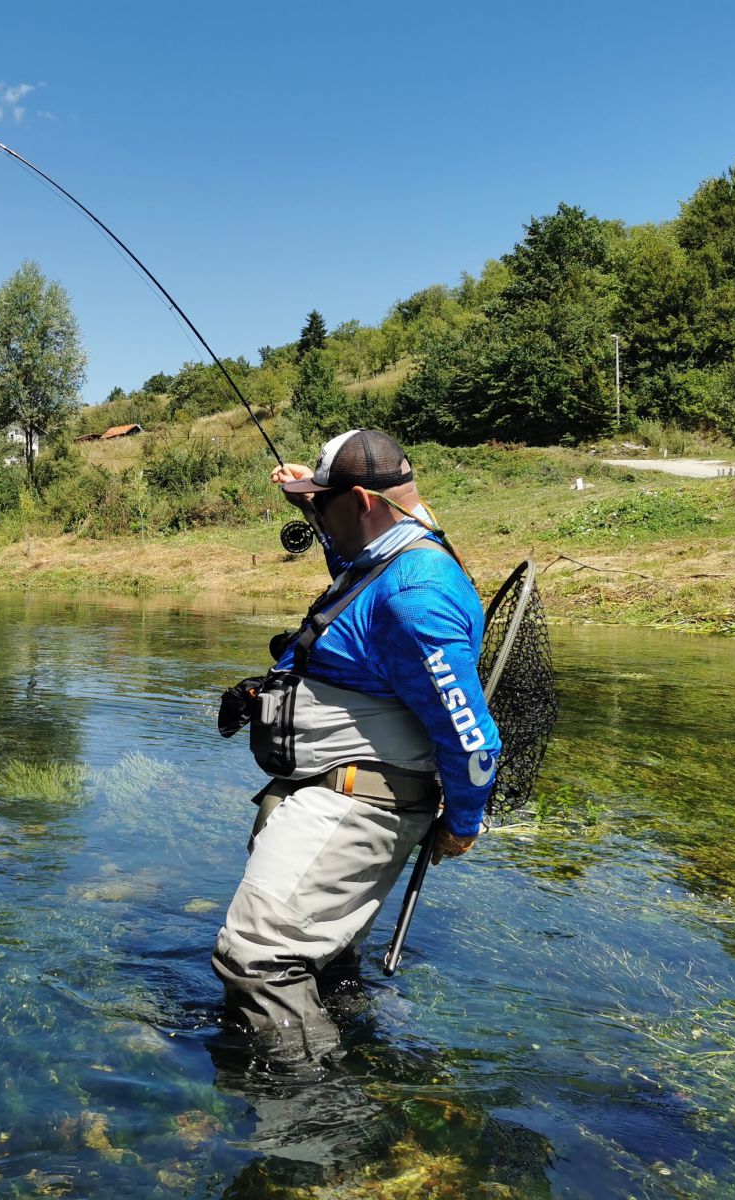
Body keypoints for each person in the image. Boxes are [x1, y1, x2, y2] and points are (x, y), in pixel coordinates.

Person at [213, 429, 501, 1060]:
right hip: (330, 788)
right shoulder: (389, 550)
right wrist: (313, 502)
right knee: (320, 958)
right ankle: (351, 1051)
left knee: (256, 959)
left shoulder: (416, 594)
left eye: (327, 502)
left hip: (357, 799)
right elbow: (354, 565)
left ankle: (315, 1104)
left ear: (365, 500)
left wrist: (463, 822)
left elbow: (472, 737)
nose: (318, 513)